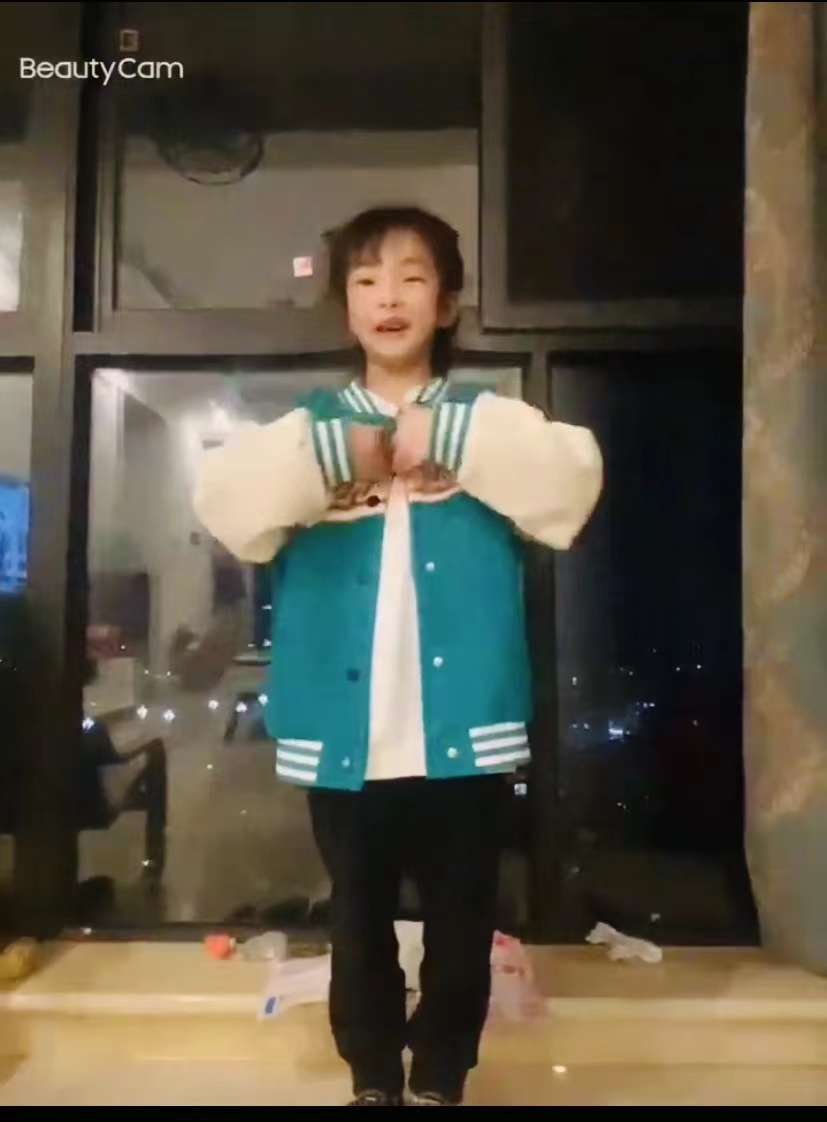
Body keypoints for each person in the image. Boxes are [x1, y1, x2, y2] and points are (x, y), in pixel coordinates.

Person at [193, 206, 603, 1106]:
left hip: (462, 728)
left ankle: (441, 1079)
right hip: (348, 734)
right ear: (345, 304)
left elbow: (570, 484)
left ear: (445, 304)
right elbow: (227, 504)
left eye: (412, 278)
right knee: (356, 919)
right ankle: (373, 1080)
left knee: (462, 922)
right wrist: (340, 452)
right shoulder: (310, 427)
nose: (389, 297)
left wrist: (446, 439)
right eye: (367, 279)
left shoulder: (485, 419)